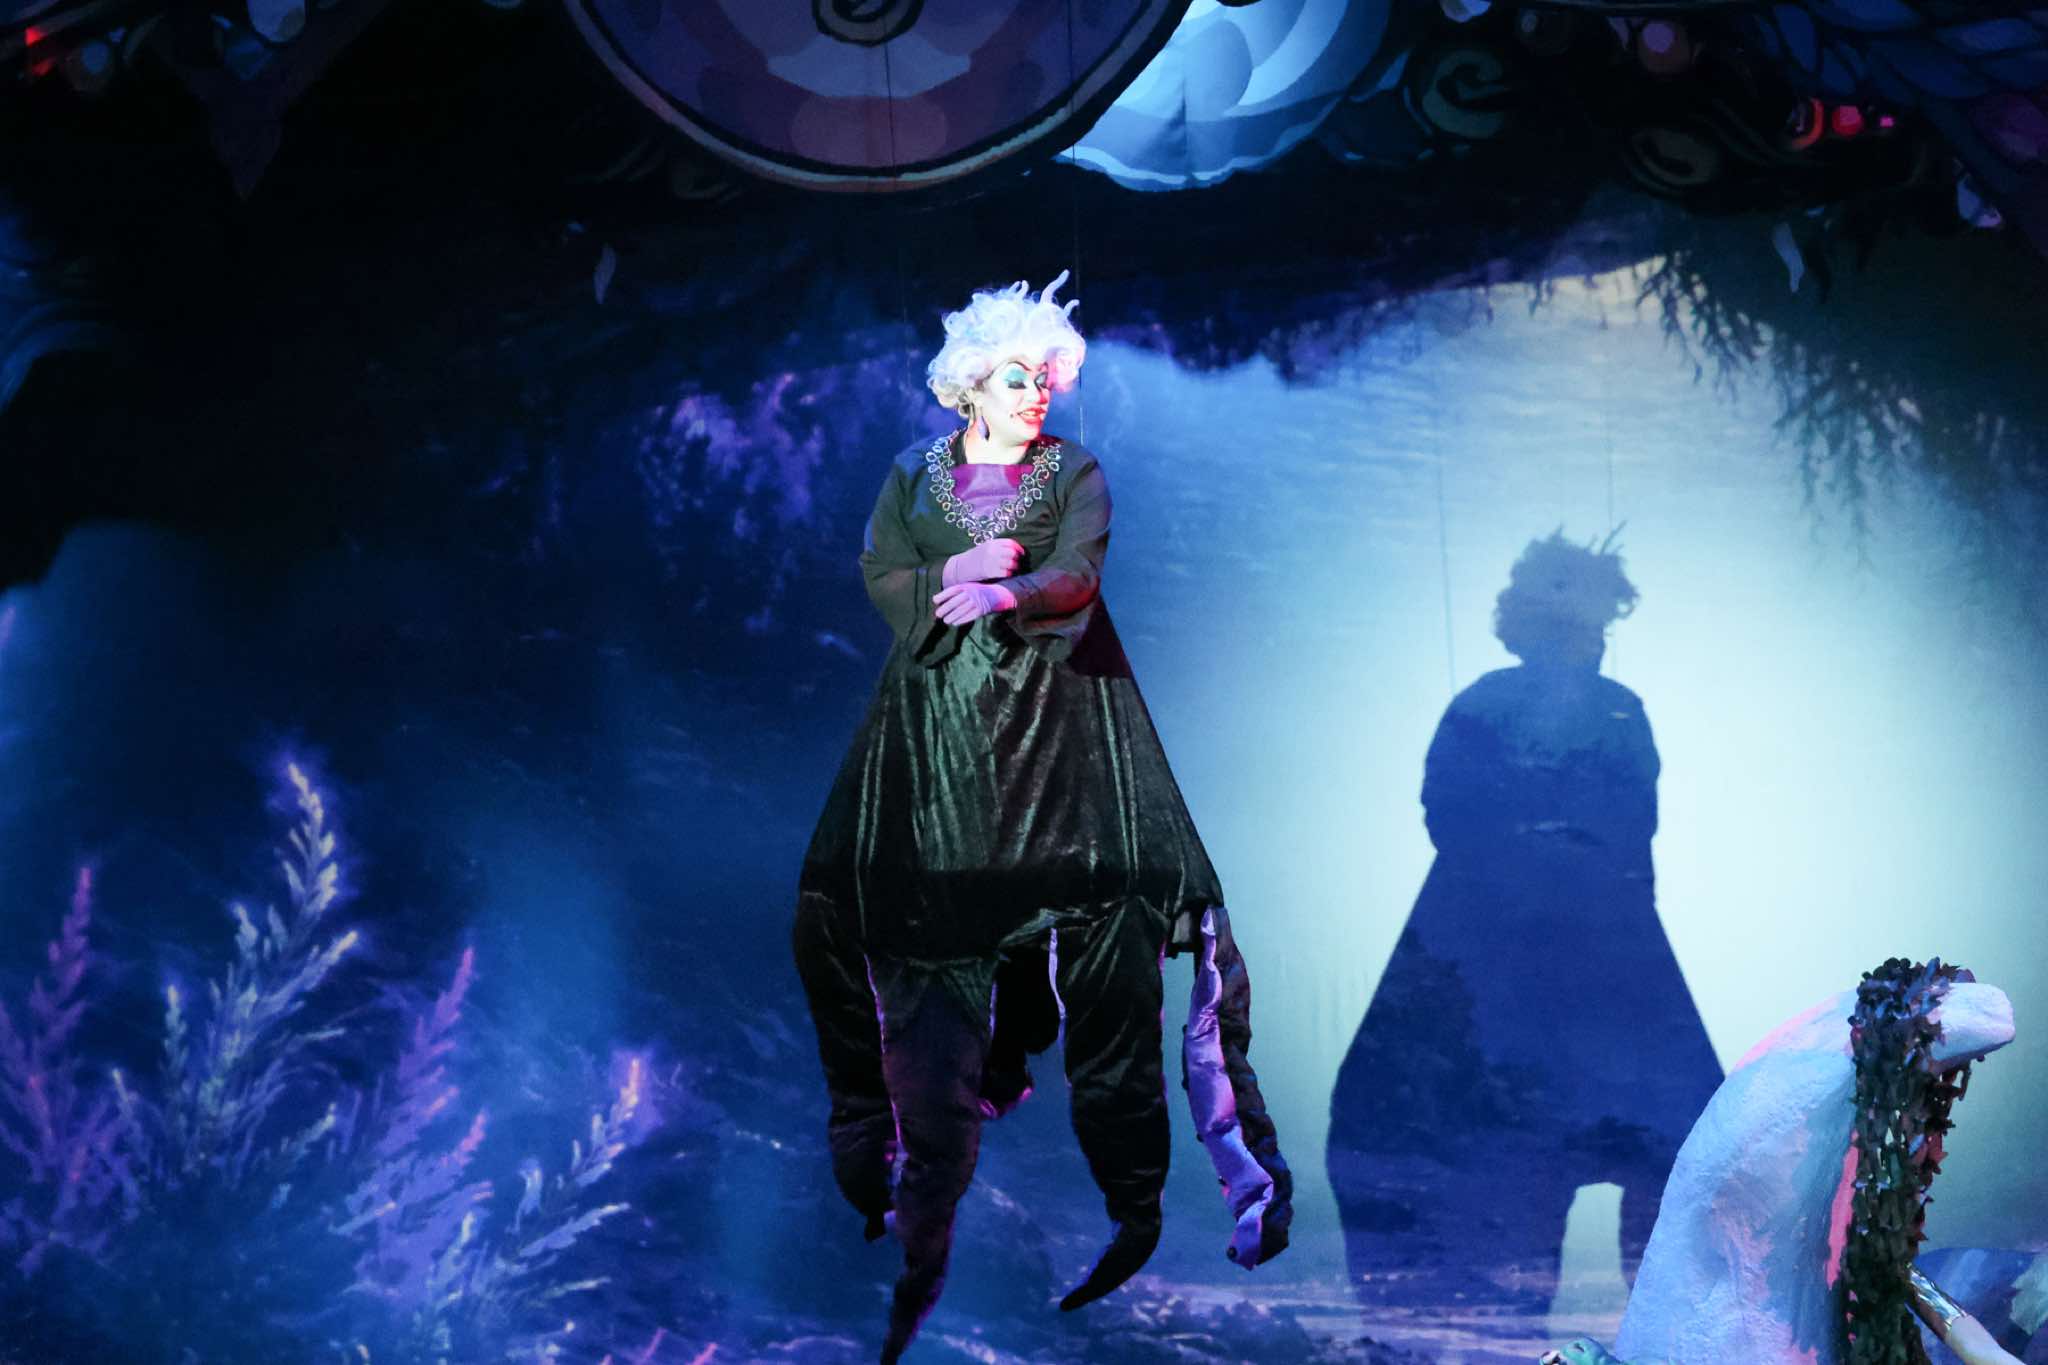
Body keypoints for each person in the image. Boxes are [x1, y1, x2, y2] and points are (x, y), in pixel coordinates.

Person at [792, 274, 1290, 1363]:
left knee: (1108, 946)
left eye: (1048, 379)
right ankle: (906, 1182)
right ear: (973, 382)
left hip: (1059, 732)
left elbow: (1076, 574)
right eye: (1018, 378)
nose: (1036, 395)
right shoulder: (912, 473)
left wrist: (1006, 592)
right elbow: (881, 572)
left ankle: (1135, 1199)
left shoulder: (1073, 473)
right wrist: (952, 569)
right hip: (940, 736)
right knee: (888, 932)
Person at [1327, 531, 1722, 1319]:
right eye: (1585, 627)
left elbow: (1458, 814)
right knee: (1613, 1139)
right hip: (1552, 952)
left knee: (1612, 1141)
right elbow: (1468, 815)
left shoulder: (1531, 706)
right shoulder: (1594, 709)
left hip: (1516, 948)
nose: (1589, 643)